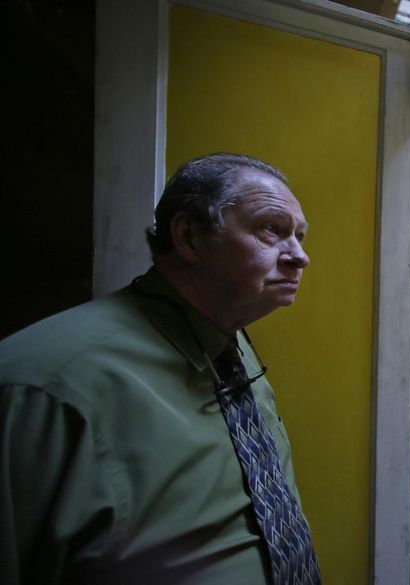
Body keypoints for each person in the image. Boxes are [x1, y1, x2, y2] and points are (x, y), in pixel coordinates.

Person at [0, 153, 321, 584]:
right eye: (271, 229)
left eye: (299, 237)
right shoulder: (47, 384)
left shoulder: (231, 341)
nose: (299, 257)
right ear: (188, 236)